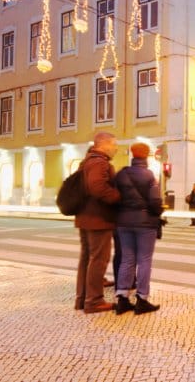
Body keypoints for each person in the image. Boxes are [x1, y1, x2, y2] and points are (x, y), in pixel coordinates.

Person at [113, 142, 163, 315]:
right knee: (144, 260)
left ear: (132, 154)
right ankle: (142, 299)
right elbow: (156, 202)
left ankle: (122, 298)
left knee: (127, 259)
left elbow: (114, 196)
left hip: (123, 222)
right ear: (147, 156)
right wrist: (158, 213)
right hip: (145, 223)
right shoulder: (150, 176)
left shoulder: (121, 174)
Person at [74, 132, 121, 313]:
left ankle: (82, 299)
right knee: (98, 260)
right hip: (98, 219)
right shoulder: (99, 162)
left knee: (86, 259)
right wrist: (118, 197)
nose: (116, 148)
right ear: (104, 145)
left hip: (85, 217)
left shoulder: (86, 161)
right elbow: (97, 187)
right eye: (114, 144)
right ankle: (94, 301)